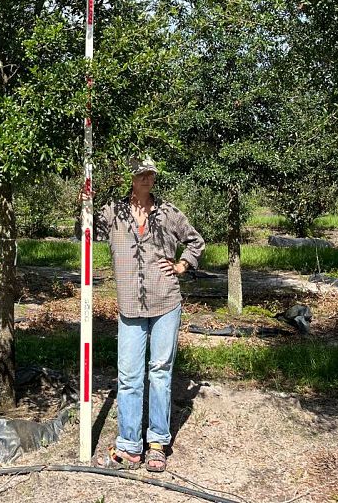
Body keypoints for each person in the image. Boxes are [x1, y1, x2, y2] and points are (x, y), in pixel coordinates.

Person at [85, 155, 204, 474]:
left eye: (151, 174)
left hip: (166, 301)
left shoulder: (168, 212)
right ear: (132, 178)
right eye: (141, 175)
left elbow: (195, 242)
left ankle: (157, 445)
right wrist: (84, 202)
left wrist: (182, 265)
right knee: (129, 375)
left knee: (161, 372)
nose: (147, 179)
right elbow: (87, 233)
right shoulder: (113, 212)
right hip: (130, 306)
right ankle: (128, 446)